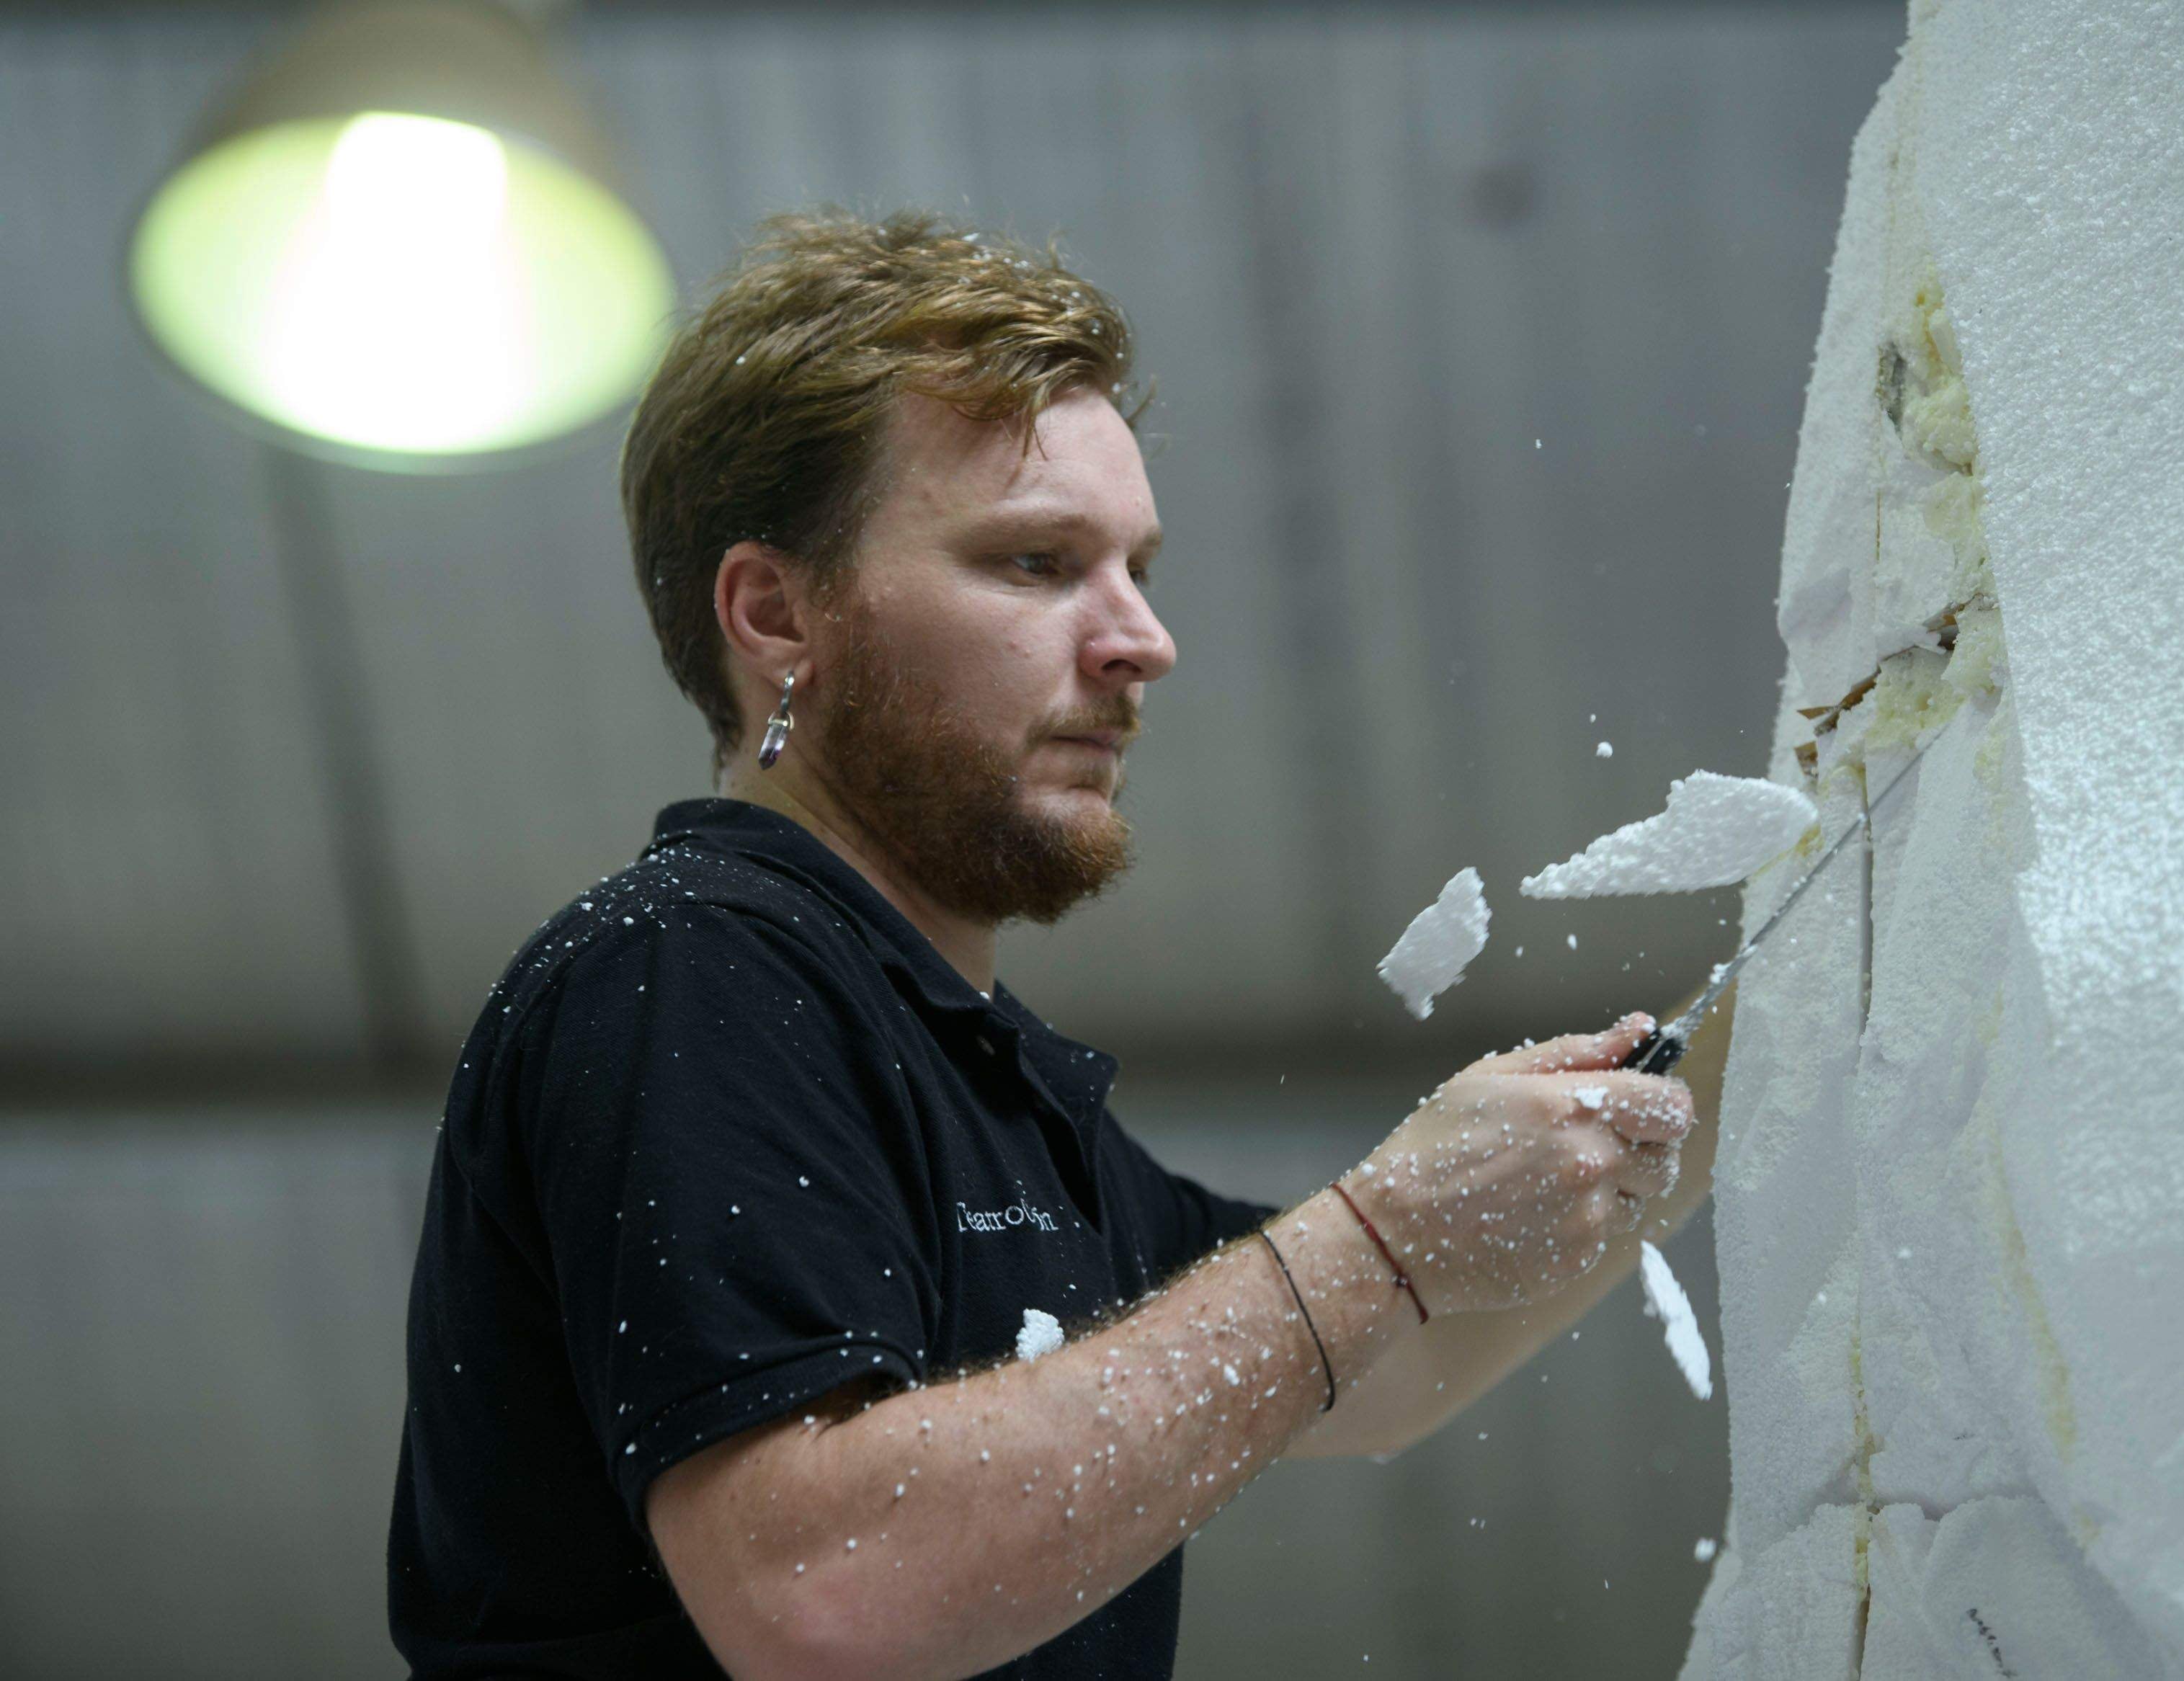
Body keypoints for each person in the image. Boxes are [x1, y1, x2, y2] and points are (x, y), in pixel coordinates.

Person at [388, 208, 1719, 1681]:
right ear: (775, 612)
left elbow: (1380, 1360)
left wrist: (1751, 1047)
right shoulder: (682, 970)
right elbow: (825, 1591)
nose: (1141, 639)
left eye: (1137, 568)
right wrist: (1383, 1238)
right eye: (1035, 563)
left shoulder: (993, 1094)